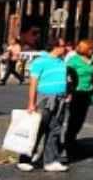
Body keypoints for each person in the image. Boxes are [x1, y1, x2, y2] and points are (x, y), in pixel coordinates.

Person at [17, 37, 70, 172]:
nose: (65, 48)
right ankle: (24, 159)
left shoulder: (61, 62)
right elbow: (33, 83)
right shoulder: (40, 61)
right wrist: (31, 103)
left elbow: (63, 80)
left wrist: (67, 93)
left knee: (55, 130)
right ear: (55, 47)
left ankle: (50, 161)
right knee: (37, 129)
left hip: (60, 100)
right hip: (45, 100)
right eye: (63, 46)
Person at [63, 39, 93, 163]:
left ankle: (72, 142)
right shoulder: (73, 60)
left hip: (87, 92)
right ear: (85, 49)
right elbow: (67, 75)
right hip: (76, 92)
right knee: (74, 120)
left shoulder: (91, 60)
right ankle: (69, 147)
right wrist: (67, 92)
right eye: (91, 49)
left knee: (80, 120)